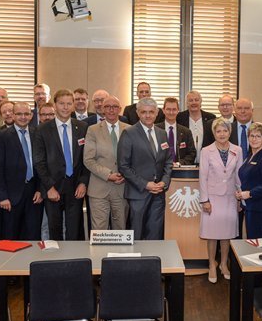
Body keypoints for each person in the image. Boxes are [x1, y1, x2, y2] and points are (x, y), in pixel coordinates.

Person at [33, 89, 90, 240]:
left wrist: (83, 182)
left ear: (73, 106)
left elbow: (87, 158)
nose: (65, 107)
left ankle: (75, 262)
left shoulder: (83, 127)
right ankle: (56, 262)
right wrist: (49, 187)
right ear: (55, 105)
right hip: (53, 187)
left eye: (69, 104)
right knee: (54, 230)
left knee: (75, 231)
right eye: (61, 103)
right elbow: (39, 162)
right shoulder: (42, 129)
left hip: (76, 186)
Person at [117, 97, 173, 240]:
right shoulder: (129, 133)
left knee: (155, 233)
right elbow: (123, 166)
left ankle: (152, 261)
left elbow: (168, 161)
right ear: (137, 113)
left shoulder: (162, 133)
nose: (147, 115)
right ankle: (135, 262)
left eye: (151, 112)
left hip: (158, 193)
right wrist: (145, 184)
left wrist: (164, 182)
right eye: (144, 112)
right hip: (138, 193)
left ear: (157, 113)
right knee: (137, 234)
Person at [198, 118, 243, 283]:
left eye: (225, 131)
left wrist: (240, 197)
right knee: (212, 234)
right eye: (218, 131)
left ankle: (224, 264)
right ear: (214, 133)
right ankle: (212, 264)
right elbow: (202, 177)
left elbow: (239, 175)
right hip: (213, 198)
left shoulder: (237, 150)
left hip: (231, 197)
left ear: (229, 132)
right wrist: (204, 200)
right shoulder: (206, 151)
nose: (222, 134)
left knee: (227, 234)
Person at [0, 102, 44, 240]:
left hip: (34, 193)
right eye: (19, 114)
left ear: (32, 115)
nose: (23, 117)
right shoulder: (2, 136)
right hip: (11, 195)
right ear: (13, 115)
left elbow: (41, 164)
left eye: (26, 114)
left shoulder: (37, 133)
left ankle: (31, 261)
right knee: (11, 234)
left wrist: (40, 189)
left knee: (33, 234)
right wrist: (3, 196)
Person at [84, 95, 130, 231]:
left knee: (120, 229)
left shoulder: (129, 129)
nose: (111, 110)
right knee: (99, 231)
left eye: (115, 107)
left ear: (120, 109)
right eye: (107, 107)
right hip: (99, 188)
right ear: (102, 109)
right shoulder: (92, 130)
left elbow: (135, 158)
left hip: (122, 188)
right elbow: (88, 159)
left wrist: (125, 175)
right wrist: (108, 175)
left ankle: (120, 253)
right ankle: (98, 254)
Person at [236, 123, 262, 239]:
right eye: (252, 136)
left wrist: (249, 193)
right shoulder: (249, 156)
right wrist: (240, 193)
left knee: (258, 244)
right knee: (252, 242)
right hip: (250, 206)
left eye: (258, 136)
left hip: (260, 208)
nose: (254, 139)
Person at [156, 97, 196, 165]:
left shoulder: (186, 132)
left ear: (178, 110)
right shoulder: (155, 129)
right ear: (163, 110)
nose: (171, 112)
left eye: (174, 109)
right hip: (160, 171)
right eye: (168, 109)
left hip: (180, 171)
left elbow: (192, 153)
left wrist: (179, 163)